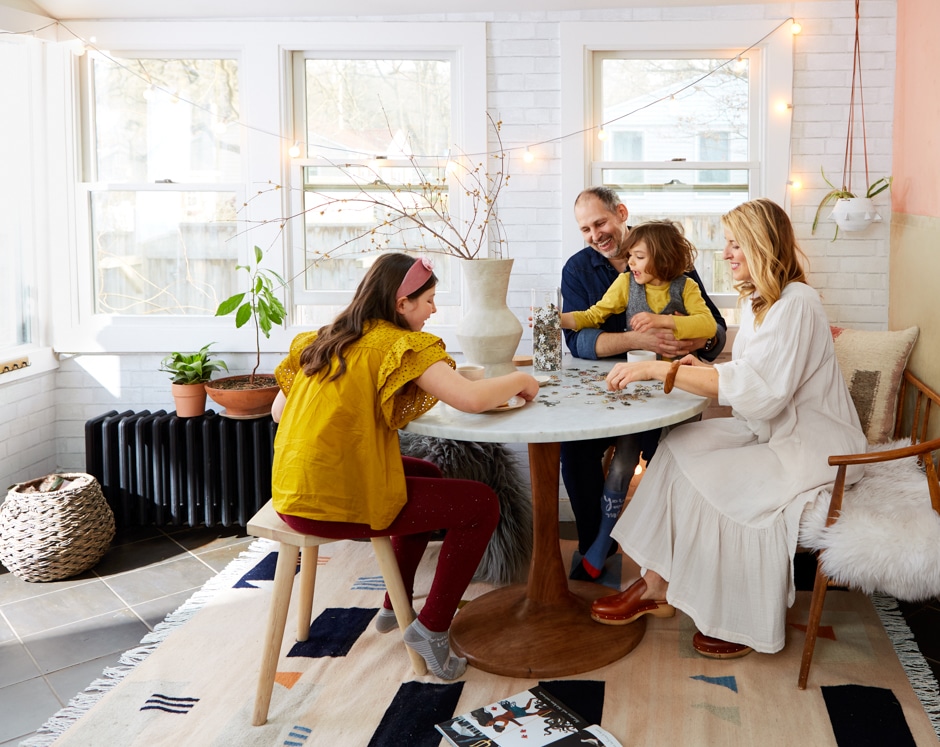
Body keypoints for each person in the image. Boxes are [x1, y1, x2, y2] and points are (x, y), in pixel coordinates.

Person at [590, 198, 867, 658]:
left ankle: (742, 617)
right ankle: (657, 583)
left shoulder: (798, 304)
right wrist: (702, 366)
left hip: (810, 445)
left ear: (761, 245)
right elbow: (753, 372)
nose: (726, 254)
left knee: (720, 483)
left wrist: (660, 370)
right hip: (769, 430)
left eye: (736, 244)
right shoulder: (763, 302)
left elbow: (763, 391)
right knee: (679, 444)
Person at [269, 252, 540, 680]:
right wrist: (524, 379)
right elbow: (471, 400)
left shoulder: (323, 340)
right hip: (333, 504)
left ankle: (394, 604)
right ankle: (432, 628)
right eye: (429, 300)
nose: (434, 310)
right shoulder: (401, 346)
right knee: (482, 504)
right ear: (402, 304)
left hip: (291, 493)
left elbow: (278, 413)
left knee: (427, 475)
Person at [560, 187, 727, 581]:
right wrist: (638, 338)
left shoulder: (673, 266)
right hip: (615, 390)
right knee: (578, 453)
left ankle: (664, 559)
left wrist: (687, 336)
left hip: (666, 390)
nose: (594, 235)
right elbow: (580, 337)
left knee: (665, 459)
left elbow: (714, 330)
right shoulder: (581, 270)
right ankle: (597, 543)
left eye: (600, 223)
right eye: (585, 229)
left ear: (621, 213)